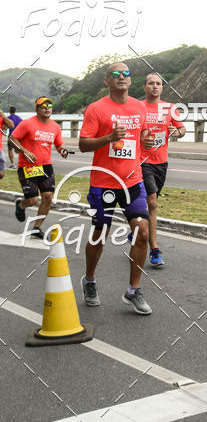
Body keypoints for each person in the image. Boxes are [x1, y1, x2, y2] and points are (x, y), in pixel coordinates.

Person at [78, 64, 154, 315]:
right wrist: (108, 139)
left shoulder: (139, 107)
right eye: (116, 75)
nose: (121, 78)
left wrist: (146, 140)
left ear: (131, 80)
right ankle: (89, 279)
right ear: (106, 80)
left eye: (126, 74)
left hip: (133, 180)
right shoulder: (96, 109)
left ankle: (133, 290)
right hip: (103, 183)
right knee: (100, 234)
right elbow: (83, 144)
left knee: (142, 232)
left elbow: (142, 134)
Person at [136, 72, 186, 268]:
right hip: (142, 161)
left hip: (161, 162)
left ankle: (137, 227)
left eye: (158, 83)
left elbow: (182, 129)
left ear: (162, 88)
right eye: (150, 83)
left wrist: (177, 132)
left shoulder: (170, 108)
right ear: (145, 87)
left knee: (149, 205)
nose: (154, 86)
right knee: (153, 201)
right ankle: (155, 250)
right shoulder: (137, 107)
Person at [10, 97, 69, 238]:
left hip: (45, 167)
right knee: (33, 200)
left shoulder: (55, 127)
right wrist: (25, 151)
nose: (47, 108)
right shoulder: (27, 124)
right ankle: (21, 205)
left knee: (48, 197)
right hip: (27, 167)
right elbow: (12, 139)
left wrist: (63, 151)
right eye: (43, 106)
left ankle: (36, 228)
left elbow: (59, 144)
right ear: (36, 109)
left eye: (49, 105)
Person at [0, 107, 17, 181]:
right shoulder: (18, 118)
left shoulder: (4, 117)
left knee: (10, 150)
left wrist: (3, 116)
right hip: (17, 138)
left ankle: (13, 164)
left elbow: (8, 126)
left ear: (10, 111)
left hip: (11, 137)